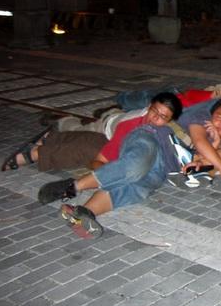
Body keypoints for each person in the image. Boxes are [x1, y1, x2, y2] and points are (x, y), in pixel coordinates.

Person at [36, 93, 183, 239]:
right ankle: (72, 186)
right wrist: (114, 174)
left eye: (163, 117)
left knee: (138, 186)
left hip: (156, 167)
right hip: (109, 124)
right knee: (133, 166)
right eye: (154, 111)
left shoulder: (171, 130)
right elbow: (98, 161)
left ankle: (83, 213)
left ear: (170, 120)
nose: (155, 118)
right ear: (149, 106)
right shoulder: (131, 125)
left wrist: (117, 177)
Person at [177, 98, 221, 187]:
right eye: (219, 117)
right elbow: (199, 141)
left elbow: (204, 156)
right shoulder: (201, 119)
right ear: (211, 116)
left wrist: (217, 142)